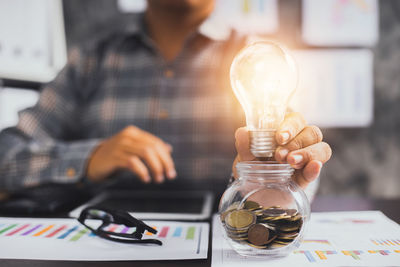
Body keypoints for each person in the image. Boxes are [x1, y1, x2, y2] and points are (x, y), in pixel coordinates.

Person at [0, 0, 331, 197]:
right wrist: (89, 159)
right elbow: (6, 156)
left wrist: (285, 166)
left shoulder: (258, 64)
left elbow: (298, 163)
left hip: (225, 239)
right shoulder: (92, 61)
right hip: (103, 235)